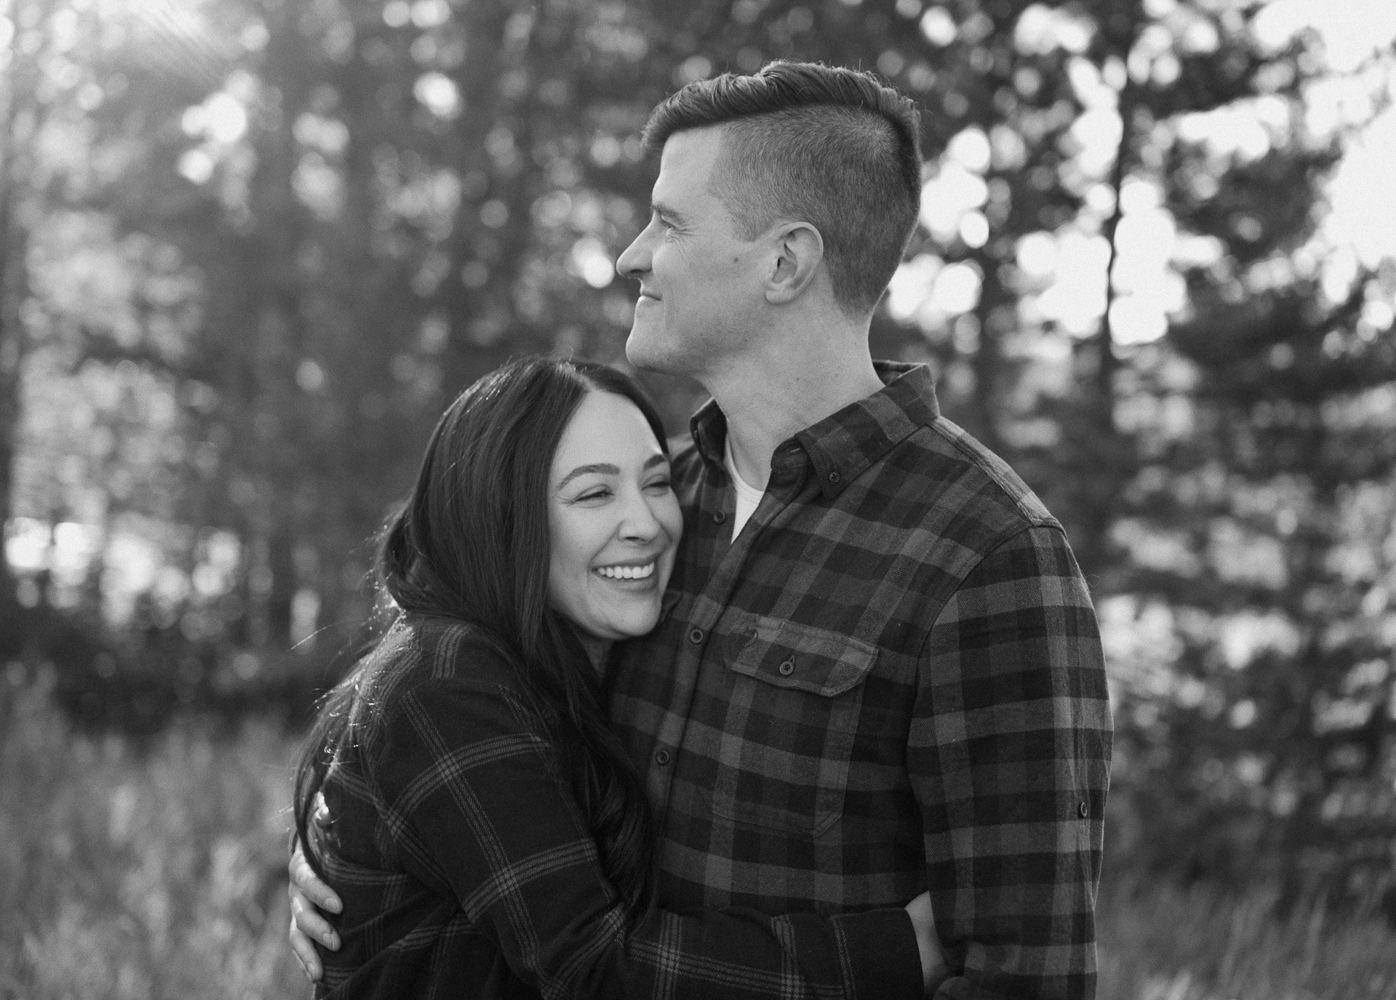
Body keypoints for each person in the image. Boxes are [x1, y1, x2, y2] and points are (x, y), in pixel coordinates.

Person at [295, 60, 1113, 998]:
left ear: (785, 263)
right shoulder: (653, 507)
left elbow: (1025, 976)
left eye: (671, 223)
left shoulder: (988, 556)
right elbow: (461, 701)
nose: (629, 255)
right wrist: (352, 843)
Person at [290, 356, 947, 999]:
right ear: (500, 516)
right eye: (595, 493)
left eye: (657, 483)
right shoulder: (447, 683)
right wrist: (905, 950)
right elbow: (595, 965)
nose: (648, 525)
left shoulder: (544, 656)